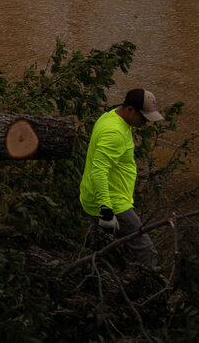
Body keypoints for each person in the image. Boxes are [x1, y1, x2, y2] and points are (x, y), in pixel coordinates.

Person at [79, 88, 164, 266]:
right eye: (144, 117)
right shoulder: (114, 133)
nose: (146, 122)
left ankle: (102, 277)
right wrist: (106, 210)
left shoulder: (111, 116)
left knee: (104, 254)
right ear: (130, 109)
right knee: (146, 251)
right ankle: (146, 284)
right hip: (112, 202)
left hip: (96, 197)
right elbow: (99, 170)